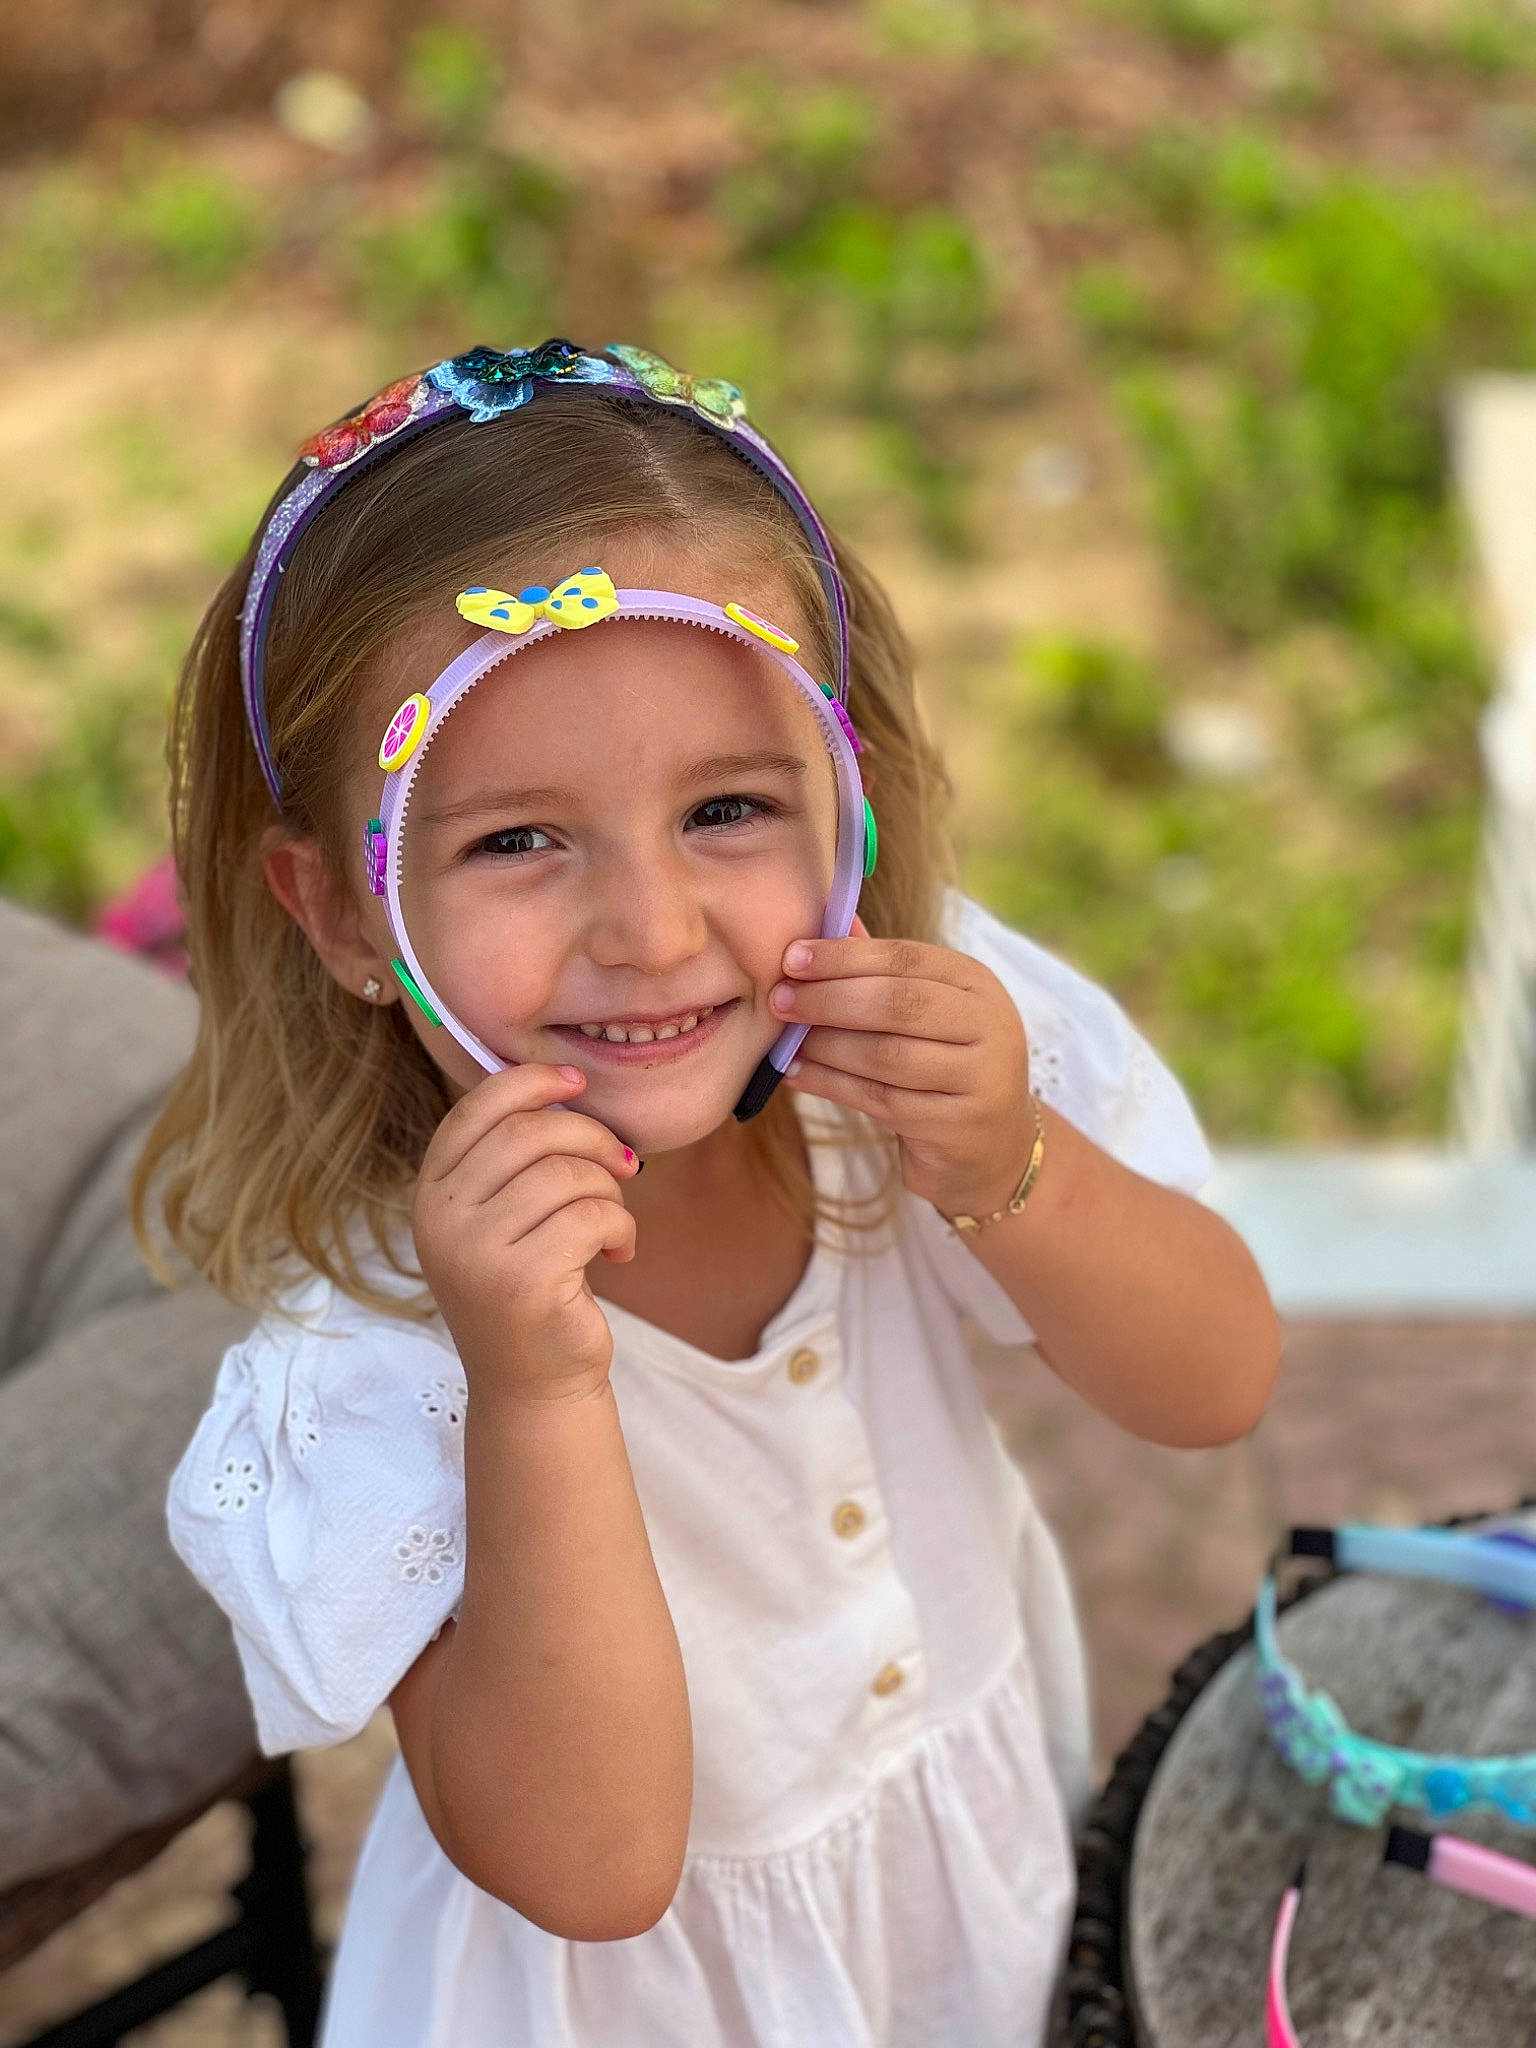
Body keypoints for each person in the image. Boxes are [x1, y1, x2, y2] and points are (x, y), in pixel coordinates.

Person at [145, 339, 1280, 2048]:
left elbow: (1217, 1389)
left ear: (854, 799)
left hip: (965, 1939)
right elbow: (592, 1865)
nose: (655, 932)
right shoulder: (373, 1351)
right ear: (340, 914)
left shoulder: (923, 1056)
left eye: (729, 808)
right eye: (517, 841)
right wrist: (529, 1383)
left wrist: (1008, 1165)